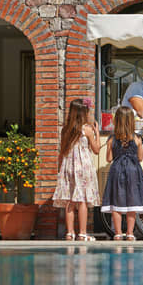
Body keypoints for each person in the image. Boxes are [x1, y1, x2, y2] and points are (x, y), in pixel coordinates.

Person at [53, 98, 101, 241]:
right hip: (83, 167)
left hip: (69, 167)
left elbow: (63, 151)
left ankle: (70, 233)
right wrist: (97, 133)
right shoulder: (87, 129)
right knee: (82, 201)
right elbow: (96, 149)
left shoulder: (66, 129)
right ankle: (82, 233)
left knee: (70, 200)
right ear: (84, 113)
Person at [101, 106, 143, 240]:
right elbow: (140, 158)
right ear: (131, 121)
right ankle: (130, 233)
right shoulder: (137, 138)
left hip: (117, 170)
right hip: (133, 171)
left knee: (116, 203)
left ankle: (118, 233)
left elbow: (109, 158)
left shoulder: (112, 139)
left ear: (116, 120)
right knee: (132, 202)